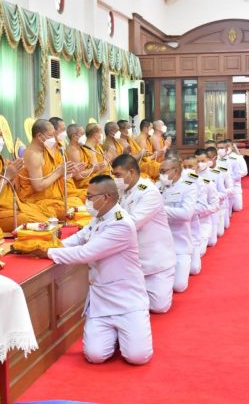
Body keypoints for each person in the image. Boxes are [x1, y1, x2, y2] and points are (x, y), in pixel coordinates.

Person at [46, 175, 152, 365]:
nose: (87, 201)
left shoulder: (122, 224)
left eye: (90, 196)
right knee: (95, 356)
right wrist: (56, 245)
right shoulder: (100, 217)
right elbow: (80, 238)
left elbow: (86, 253)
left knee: (138, 357)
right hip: (101, 301)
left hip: (127, 301)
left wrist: (47, 252)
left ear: (108, 197)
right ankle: (118, 335)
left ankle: (125, 335)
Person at [112, 154, 177, 313]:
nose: (116, 179)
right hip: (133, 262)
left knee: (158, 307)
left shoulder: (149, 192)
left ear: (132, 172)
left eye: (118, 175)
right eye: (114, 176)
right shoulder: (123, 190)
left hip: (155, 261)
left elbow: (132, 223)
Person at [18, 119, 84, 220]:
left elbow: (50, 175)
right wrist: (58, 172)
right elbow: (38, 186)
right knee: (72, 208)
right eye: (51, 135)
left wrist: (67, 172)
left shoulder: (43, 152)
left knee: (77, 202)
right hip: (37, 200)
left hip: (53, 197)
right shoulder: (33, 155)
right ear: (39, 136)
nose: (54, 138)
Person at [157, 157, 196, 291]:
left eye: (164, 171)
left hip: (180, 243)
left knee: (178, 286)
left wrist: (160, 210)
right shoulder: (157, 187)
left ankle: (191, 257)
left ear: (176, 170)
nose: (161, 175)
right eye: (159, 171)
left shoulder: (188, 187)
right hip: (160, 244)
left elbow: (186, 214)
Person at [183, 154, 219, 257]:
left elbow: (215, 205)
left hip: (202, 222)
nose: (187, 170)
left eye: (190, 167)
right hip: (184, 226)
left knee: (198, 256)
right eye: (185, 167)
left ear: (197, 167)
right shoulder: (178, 184)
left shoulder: (206, 183)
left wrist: (198, 213)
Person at [195, 148, 223, 246]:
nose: (199, 164)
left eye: (202, 161)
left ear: (208, 161)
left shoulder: (215, 174)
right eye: (197, 161)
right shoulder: (191, 175)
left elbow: (222, 193)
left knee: (211, 242)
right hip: (193, 214)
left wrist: (203, 211)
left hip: (210, 212)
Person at [66, 123, 107, 189]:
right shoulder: (73, 151)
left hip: (89, 178)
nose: (84, 136)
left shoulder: (81, 148)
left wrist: (95, 167)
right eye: (82, 134)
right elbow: (77, 176)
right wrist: (93, 169)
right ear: (73, 136)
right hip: (82, 184)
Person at [206, 146, 233, 234]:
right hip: (206, 206)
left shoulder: (222, 171)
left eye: (209, 158)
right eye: (206, 158)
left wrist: (215, 196)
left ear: (215, 158)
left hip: (220, 204)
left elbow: (230, 189)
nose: (207, 161)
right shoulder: (200, 172)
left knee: (220, 232)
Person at [221, 139, 247, 211]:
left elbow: (245, 171)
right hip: (223, 185)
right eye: (224, 147)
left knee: (237, 208)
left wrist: (233, 177)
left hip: (235, 184)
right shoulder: (220, 157)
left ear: (232, 146)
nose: (227, 148)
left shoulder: (238, 157)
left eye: (228, 146)